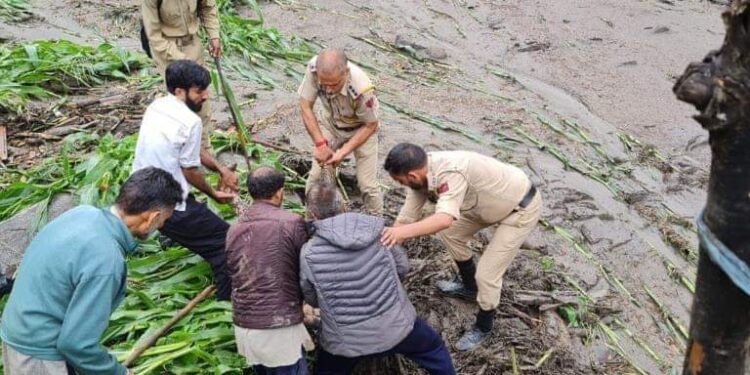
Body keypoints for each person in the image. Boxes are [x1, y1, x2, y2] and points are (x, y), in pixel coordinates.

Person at [0, 167, 183, 375]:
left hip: (16, 331)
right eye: (163, 221)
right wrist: (118, 372)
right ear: (151, 218)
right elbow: (76, 345)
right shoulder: (106, 259)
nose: (161, 227)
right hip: (40, 355)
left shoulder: (82, 213)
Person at [381, 143, 542, 351]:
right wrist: (386, 248)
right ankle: (469, 287)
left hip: (519, 208)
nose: (402, 184)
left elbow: (443, 219)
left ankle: (484, 326)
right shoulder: (420, 178)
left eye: (400, 181)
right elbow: (405, 219)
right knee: (451, 235)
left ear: (411, 175)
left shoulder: (450, 172)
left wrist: (400, 234)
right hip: (483, 205)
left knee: (487, 274)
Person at [300, 182, 455, 375]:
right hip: (398, 328)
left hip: (347, 342)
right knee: (434, 349)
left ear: (313, 215)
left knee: (325, 370)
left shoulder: (309, 253)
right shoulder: (376, 230)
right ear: (344, 207)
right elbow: (402, 267)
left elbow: (311, 297)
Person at [131, 60, 235, 300]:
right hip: (167, 203)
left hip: (139, 189)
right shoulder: (191, 121)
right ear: (179, 91)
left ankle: (171, 233)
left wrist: (220, 169)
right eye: (199, 91)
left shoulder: (156, 106)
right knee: (225, 244)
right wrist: (214, 194)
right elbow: (189, 170)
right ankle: (226, 302)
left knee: (196, 218)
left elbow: (191, 151)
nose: (205, 96)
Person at [225, 167, 313, 375]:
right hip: (278, 328)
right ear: (279, 192)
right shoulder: (292, 222)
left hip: (245, 325)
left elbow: (233, 271)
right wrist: (308, 303)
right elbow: (307, 270)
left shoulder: (233, 229)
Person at [298, 48, 383, 214]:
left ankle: (377, 223)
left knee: (367, 185)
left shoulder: (362, 89)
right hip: (331, 123)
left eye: (334, 84)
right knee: (316, 177)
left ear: (346, 73)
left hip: (361, 128)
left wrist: (342, 152)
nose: (328, 90)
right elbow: (305, 105)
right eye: (324, 84)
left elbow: (371, 125)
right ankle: (310, 219)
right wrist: (321, 144)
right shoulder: (314, 69)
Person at [141, 0, 222, 150]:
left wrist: (214, 36)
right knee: (181, 105)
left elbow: (207, 7)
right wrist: (180, 58)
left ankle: (204, 150)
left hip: (193, 44)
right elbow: (154, 36)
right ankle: (182, 151)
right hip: (167, 50)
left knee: (201, 104)